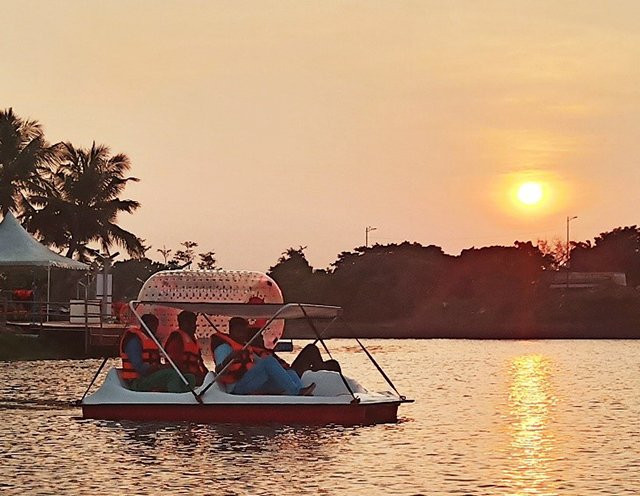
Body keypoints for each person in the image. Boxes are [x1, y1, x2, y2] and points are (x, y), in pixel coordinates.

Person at [212, 317, 315, 396]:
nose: (242, 335)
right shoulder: (224, 347)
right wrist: (230, 358)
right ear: (231, 331)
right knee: (269, 361)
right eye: (239, 331)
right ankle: (296, 392)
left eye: (244, 332)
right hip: (236, 388)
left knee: (291, 373)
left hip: (252, 382)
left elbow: (260, 363)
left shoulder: (245, 346)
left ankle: (302, 397)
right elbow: (219, 371)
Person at [119, 313, 195, 393]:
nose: (155, 328)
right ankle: (175, 399)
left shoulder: (152, 340)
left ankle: (188, 398)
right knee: (171, 374)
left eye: (156, 325)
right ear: (144, 324)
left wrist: (165, 367)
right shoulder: (134, 341)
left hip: (150, 378)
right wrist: (161, 367)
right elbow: (140, 368)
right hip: (137, 381)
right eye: (152, 325)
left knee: (189, 377)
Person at [164, 310, 208, 385]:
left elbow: (200, 362)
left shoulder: (193, 340)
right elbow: (175, 364)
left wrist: (207, 375)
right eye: (191, 323)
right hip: (184, 379)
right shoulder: (177, 339)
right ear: (183, 323)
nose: (194, 326)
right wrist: (194, 377)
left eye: (194, 323)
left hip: (196, 377)